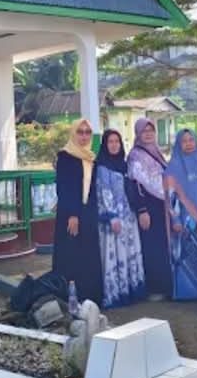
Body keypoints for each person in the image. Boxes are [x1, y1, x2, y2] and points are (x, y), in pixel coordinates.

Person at [52, 118, 104, 305]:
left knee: (87, 255)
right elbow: (63, 188)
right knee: (70, 255)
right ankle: (66, 299)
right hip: (70, 213)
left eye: (87, 132)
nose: (84, 136)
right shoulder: (65, 157)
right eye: (80, 132)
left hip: (88, 213)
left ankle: (89, 298)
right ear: (73, 134)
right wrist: (72, 214)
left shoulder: (91, 158)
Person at [95, 129, 146, 308]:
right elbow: (104, 192)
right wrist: (112, 217)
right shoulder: (102, 167)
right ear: (104, 145)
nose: (114, 145)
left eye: (117, 141)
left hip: (128, 217)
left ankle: (130, 291)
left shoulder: (124, 165)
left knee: (129, 254)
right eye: (110, 142)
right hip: (113, 221)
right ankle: (115, 294)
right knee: (114, 256)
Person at [165, 129, 197, 300]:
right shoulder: (174, 165)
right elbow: (171, 195)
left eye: (191, 140)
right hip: (186, 220)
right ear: (178, 144)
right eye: (184, 141)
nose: (188, 144)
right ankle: (186, 293)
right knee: (186, 259)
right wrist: (175, 219)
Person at [125, 118, 173, 300]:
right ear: (138, 133)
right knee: (152, 246)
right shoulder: (135, 155)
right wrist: (142, 210)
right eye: (144, 131)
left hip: (162, 205)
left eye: (151, 131)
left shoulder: (157, 152)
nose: (148, 134)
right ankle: (155, 287)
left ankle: (166, 285)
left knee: (162, 245)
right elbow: (135, 184)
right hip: (148, 207)